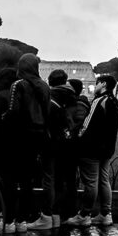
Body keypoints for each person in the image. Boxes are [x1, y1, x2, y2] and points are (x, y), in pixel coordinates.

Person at [1, 54, 52, 231]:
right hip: (37, 139)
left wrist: (2, 119)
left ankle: (7, 222)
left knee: (9, 180)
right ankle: (21, 221)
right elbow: (47, 113)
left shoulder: (18, 85)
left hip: (18, 138)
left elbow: (13, 112)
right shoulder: (44, 86)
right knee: (27, 181)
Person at [76, 74, 118, 226]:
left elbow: (86, 124)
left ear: (103, 84)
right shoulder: (115, 101)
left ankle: (84, 214)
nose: (95, 87)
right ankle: (106, 213)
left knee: (91, 182)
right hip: (108, 147)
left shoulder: (99, 100)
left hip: (93, 147)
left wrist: (79, 139)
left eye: (97, 84)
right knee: (103, 179)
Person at [47, 68, 85, 227]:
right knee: (70, 180)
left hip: (55, 142)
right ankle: (68, 213)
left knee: (54, 180)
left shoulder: (50, 97)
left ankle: (53, 214)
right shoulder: (76, 99)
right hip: (72, 143)